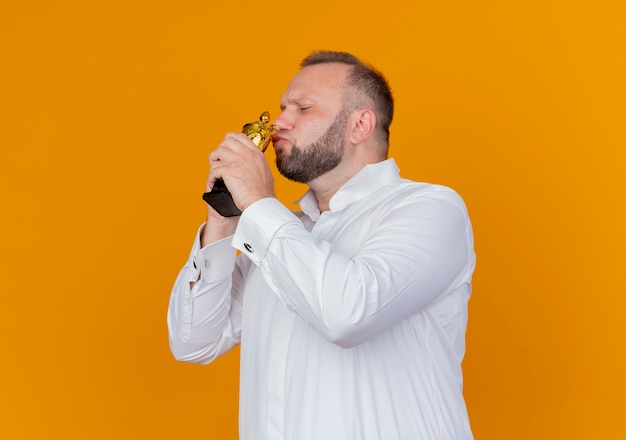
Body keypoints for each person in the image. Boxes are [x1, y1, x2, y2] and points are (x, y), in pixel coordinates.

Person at [168, 50, 476, 440]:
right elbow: (193, 342)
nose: (280, 122)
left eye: (303, 108)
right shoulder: (277, 235)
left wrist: (259, 203)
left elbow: (346, 314)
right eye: (282, 108)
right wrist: (223, 221)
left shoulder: (430, 210)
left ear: (360, 124)